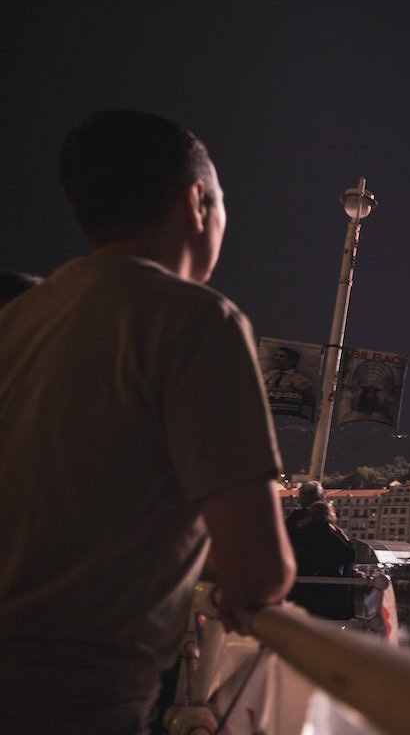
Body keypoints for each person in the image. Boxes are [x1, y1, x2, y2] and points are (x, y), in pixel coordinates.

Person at [0, 110, 296, 735]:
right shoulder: (198, 322)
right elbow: (260, 572)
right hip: (76, 705)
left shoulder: (21, 320)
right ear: (196, 201)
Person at [288, 501, 357, 620]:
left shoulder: (301, 532)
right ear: (328, 515)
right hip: (327, 595)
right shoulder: (327, 533)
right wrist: (342, 535)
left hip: (302, 593)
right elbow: (350, 555)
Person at [262, 345, 315, 418]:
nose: (277, 358)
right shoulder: (267, 376)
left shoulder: (300, 379)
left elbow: (307, 401)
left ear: (293, 361)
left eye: (282, 356)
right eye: (276, 355)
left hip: (286, 415)